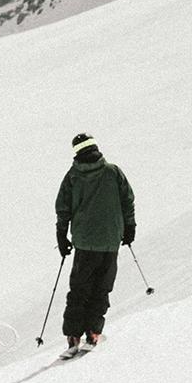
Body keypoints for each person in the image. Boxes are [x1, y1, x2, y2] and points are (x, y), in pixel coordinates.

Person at [55, 132, 136, 359]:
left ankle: (73, 337)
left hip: (84, 244)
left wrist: (62, 236)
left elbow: (63, 208)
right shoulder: (112, 172)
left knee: (79, 289)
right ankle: (93, 332)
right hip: (110, 241)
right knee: (101, 287)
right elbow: (127, 200)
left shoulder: (73, 176)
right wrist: (130, 227)